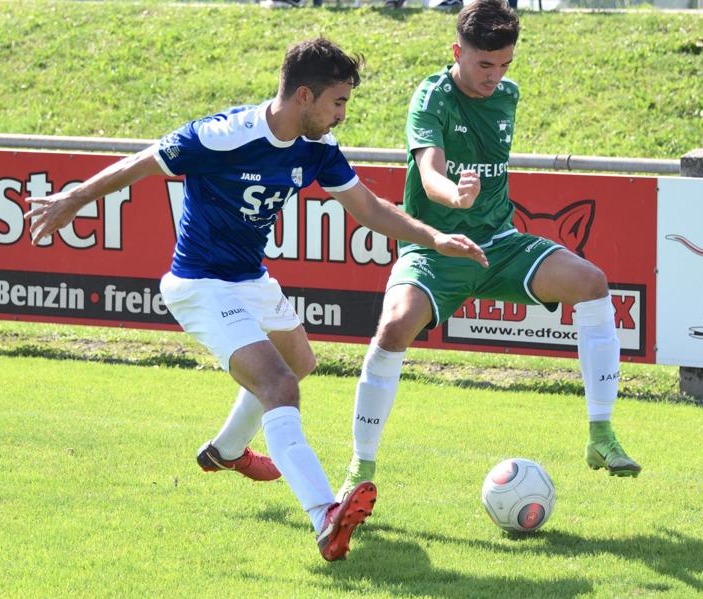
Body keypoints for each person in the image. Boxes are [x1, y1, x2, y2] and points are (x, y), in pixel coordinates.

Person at [24, 37, 487, 561]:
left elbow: (369, 208)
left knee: (300, 360)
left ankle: (225, 451)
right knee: (279, 385)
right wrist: (74, 197)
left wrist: (434, 238)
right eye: (338, 102)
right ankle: (324, 514)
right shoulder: (225, 135)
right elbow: (146, 162)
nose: (341, 115)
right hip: (199, 284)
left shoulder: (317, 150)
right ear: (305, 96)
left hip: (250, 278)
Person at [337, 0, 640, 501]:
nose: (494, 77)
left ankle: (601, 436)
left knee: (592, 283)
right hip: (437, 249)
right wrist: (452, 194)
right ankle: (360, 466)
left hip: (499, 244)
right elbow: (430, 170)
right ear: (457, 52)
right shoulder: (431, 97)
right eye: (484, 65)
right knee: (393, 327)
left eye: (504, 66)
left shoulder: (507, 96)